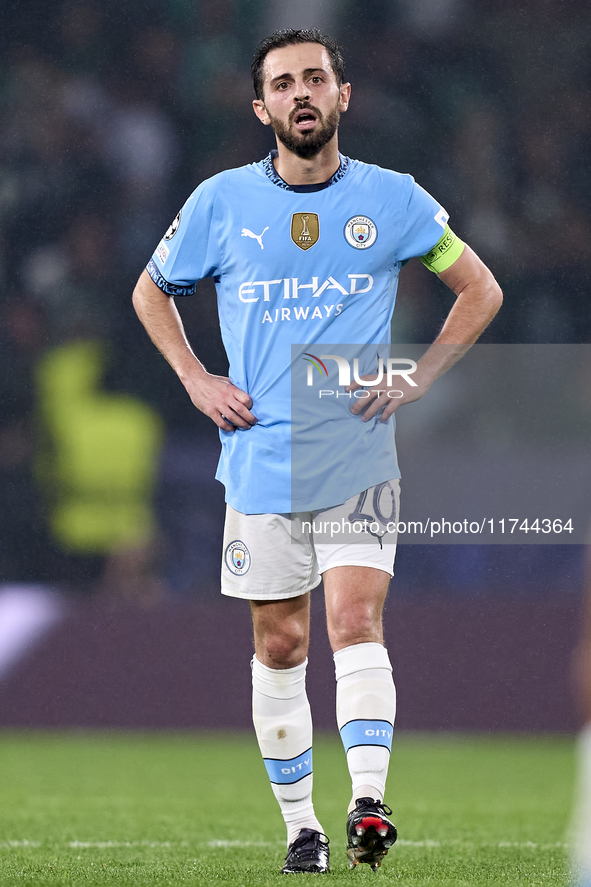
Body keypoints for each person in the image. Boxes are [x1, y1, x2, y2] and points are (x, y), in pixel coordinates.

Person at [132, 28, 502, 874]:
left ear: (343, 96)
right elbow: (151, 291)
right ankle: (302, 825)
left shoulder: (396, 200)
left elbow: (478, 286)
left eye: (315, 78)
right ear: (261, 107)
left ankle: (367, 801)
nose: (301, 93)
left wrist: (417, 376)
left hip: (356, 451)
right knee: (281, 646)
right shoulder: (220, 202)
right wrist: (195, 378)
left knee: (354, 620)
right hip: (259, 455)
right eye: (283, 83)